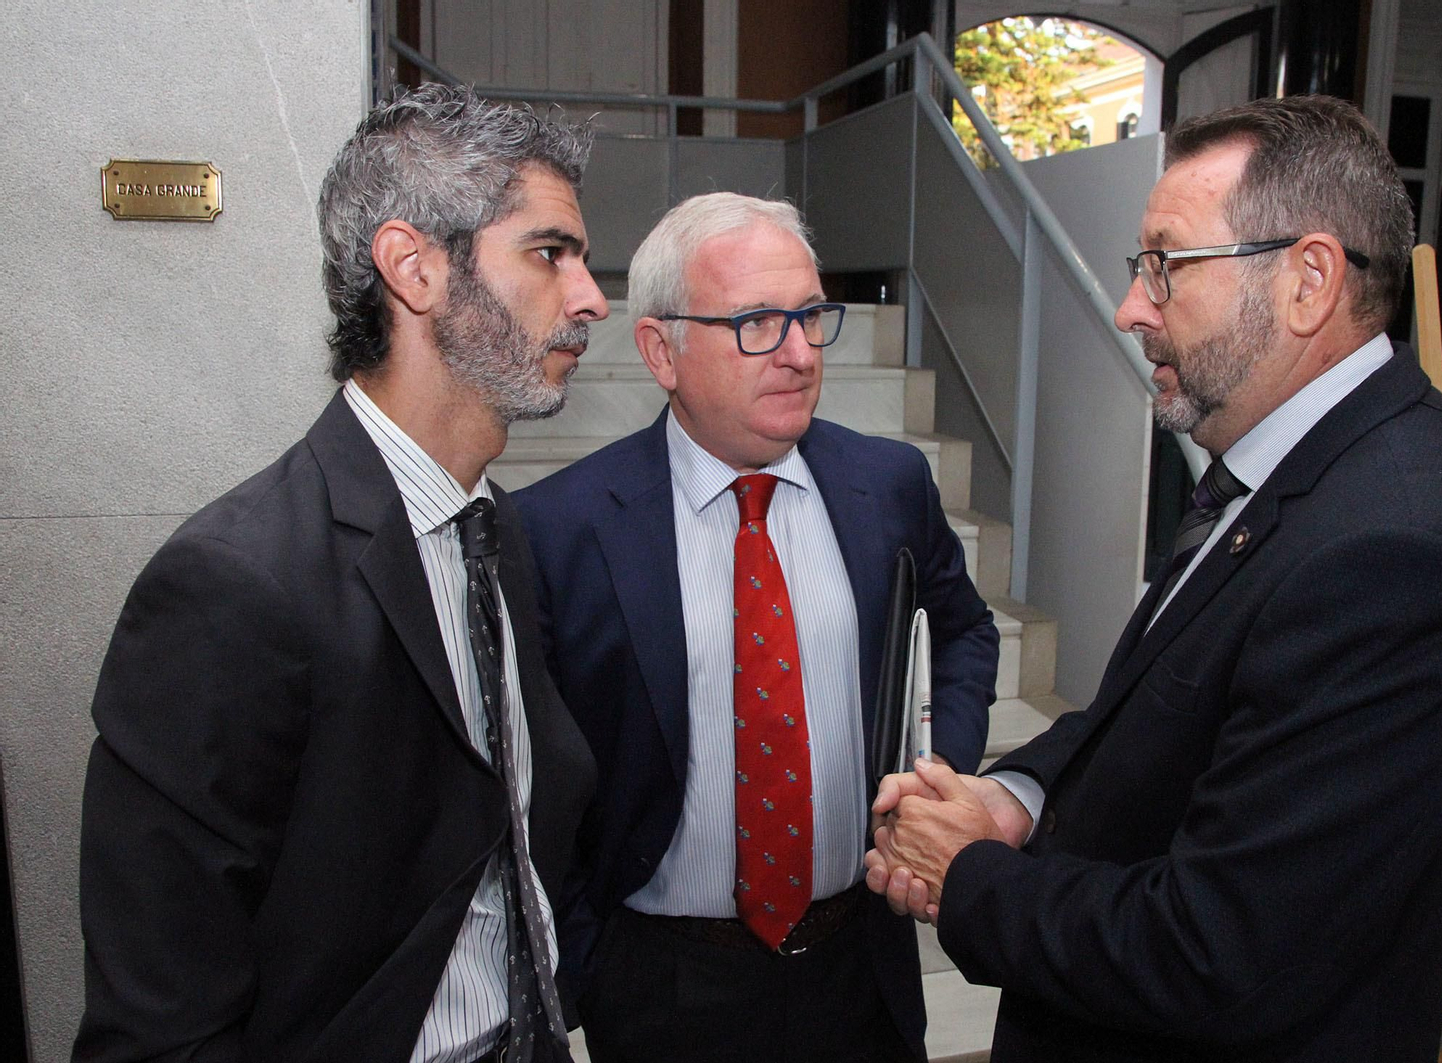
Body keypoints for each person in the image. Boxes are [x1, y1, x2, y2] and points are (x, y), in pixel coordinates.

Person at [865, 95, 1442, 1063]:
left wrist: (967, 874)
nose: (1130, 305)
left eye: (1165, 266)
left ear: (1308, 280)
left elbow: (1218, 951)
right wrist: (1013, 798)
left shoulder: (1396, 553)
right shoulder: (1292, 471)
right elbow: (1161, 714)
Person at [75, 84, 606, 1063]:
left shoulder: (499, 534)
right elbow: (160, 1028)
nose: (590, 296)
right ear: (415, 268)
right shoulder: (229, 585)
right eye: (548, 253)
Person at [511, 192, 999, 1063]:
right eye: (758, 323)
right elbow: (534, 781)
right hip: (665, 990)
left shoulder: (887, 484)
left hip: (863, 972)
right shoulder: (560, 529)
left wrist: (934, 776)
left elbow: (962, 631)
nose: (801, 353)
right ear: (661, 349)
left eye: (811, 317)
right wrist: (589, 964)